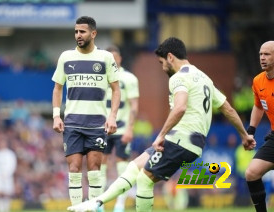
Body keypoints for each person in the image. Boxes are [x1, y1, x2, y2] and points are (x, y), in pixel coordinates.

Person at [67, 37, 256, 212]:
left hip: (181, 139)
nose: (162, 67)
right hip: (188, 141)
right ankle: (97, 202)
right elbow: (228, 109)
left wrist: (161, 135)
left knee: (144, 179)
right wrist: (244, 135)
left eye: (161, 62)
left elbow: (180, 107)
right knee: (134, 166)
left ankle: (98, 203)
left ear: (170, 57)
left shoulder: (179, 77)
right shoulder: (204, 78)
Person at [52, 16, 121, 207]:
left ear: (93, 33)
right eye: (76, 31)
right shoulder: (66, 57)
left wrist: (112, 116)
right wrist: (56, 115)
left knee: (94, 170)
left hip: (96, 124)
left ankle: (93, 209)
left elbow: (116, 89)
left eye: (82, 31)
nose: (78, 35)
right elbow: (57, 88)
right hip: (72, 123)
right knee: (74, 169)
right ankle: (76, 209)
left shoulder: (105, 58)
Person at [100, 45, 139, 212]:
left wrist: (130, 129)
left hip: (122, 129)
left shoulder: (129, 78)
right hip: (102, 129)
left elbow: (134, 106)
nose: (113, 62)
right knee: (98, 165)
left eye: (115, 58)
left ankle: (120, 205)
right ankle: (98, 204)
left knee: (122, 167)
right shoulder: (100, 78)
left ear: (120, 59)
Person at [245, 40, 274, 212]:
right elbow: (258, 106)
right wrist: (251, 131)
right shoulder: (258, 81)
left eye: (267, 54)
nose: (262, 58)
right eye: (261, 54)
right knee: (251, 173)